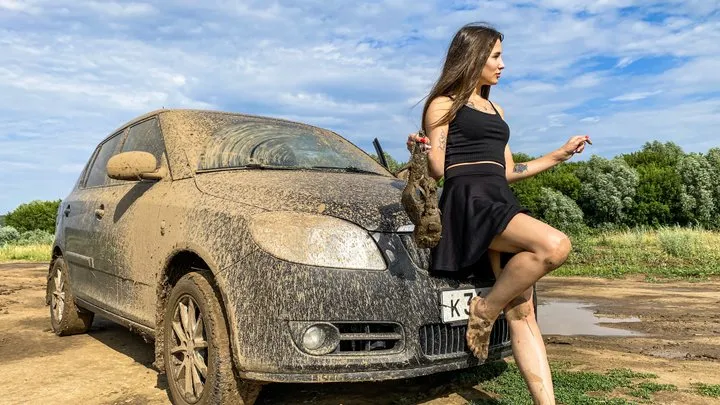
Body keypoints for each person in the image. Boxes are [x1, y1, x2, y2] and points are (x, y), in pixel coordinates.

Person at [406, 22, 591, 405]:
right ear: (473, 57)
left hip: (499, 198)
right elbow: (439, 167)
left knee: (523, 313)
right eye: (495, 56)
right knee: (554, 245)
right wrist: (421, 150)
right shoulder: (443, 104)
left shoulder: (495, 108)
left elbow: (508, 170)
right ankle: (485, 309)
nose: (502, 64)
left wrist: (559, 154)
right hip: (469, 203)